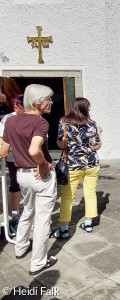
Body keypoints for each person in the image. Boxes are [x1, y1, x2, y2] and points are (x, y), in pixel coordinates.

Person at [0, 84, 57, 275]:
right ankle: (38, 262)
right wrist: (42, 163)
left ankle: (20, 247)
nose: (51, 102)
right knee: (42, 219)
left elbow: (3, 150)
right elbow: (34, 150)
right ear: (36, 102)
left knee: (28, 211)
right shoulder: (40, 123)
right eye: (47, 99)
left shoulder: (11, 121)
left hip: (21, 175)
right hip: (40, 175)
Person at [50, 97, 102, 239]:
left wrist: (72, 145)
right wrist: (88, 149)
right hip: (92, 164)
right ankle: (89, 223)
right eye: (88, 107)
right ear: (84, 108)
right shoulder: (92, 124)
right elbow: (98, 145)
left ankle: (64, 229)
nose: (90, 109)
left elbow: (61, 144)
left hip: (73, 165)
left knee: (67, 197)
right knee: (90, 194)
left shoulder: (64, 121)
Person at [0, 95, 25, 235]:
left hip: (29, 159)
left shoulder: (34, 119)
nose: (15, 109)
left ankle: (29, 215)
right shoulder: (8, 118)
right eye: (14, 107)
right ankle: (15, 216)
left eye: (18, 107)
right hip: (12, 158)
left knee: (29, 186)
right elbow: (1, 139)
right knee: (15, 184)